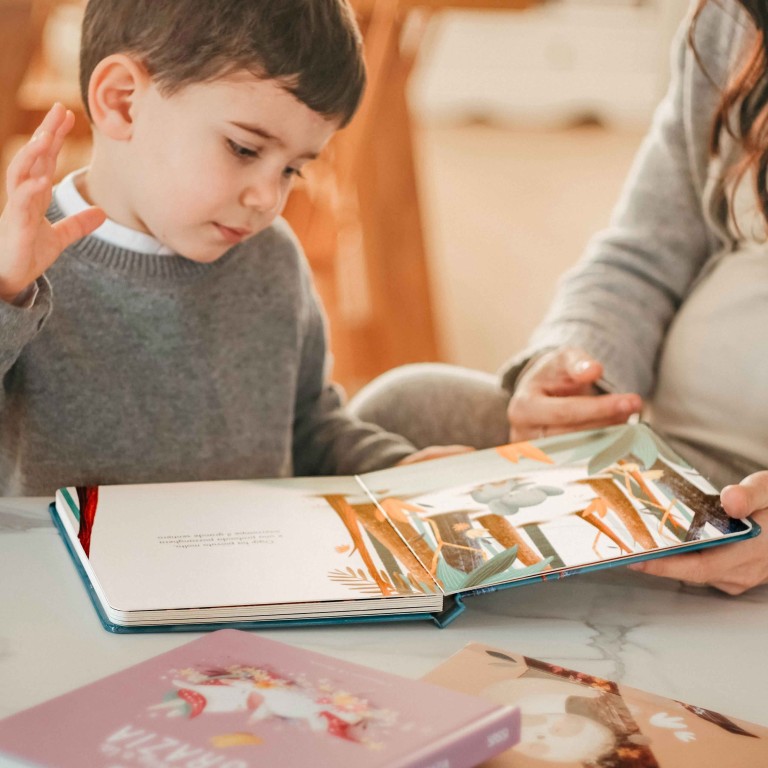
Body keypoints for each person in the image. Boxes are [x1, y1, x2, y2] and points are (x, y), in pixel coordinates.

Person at [349, 0, 768, 594]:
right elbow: (644, 254)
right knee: (400, 412)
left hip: (751, 494)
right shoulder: (732, 22)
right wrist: (577, 371)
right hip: (658, 454)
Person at [0, 0, 468, 497]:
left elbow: (308, 427)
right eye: (244, 149)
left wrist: (396, 471)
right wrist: (6, 295)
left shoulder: (272, 258)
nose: (269, 199)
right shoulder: (17, 271)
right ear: (122, 102)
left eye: (292, 169)